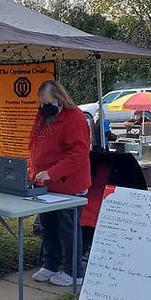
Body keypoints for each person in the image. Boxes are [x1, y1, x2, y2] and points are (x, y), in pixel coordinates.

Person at [28, 80, 91, 287]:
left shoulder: (75, 118)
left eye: (47, 102)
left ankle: (74, 272)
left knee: (68, 229)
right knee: (48, 226)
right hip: (46, 185)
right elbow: (34, 146)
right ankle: (51, 264)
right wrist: (33, 171)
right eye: (42, 103)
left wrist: (52, 173)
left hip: (69, 185)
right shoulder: (42, 116)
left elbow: (78, 154)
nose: (44, 106)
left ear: (59, 98)